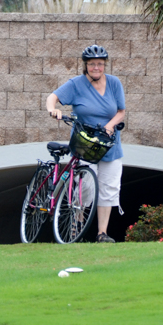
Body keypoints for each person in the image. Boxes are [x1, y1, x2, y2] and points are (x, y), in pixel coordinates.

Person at [46, 44, 126, 243]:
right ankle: (77, 227)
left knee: (109, 188)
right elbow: (52, 97)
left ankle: (102, 233)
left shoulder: (114, 83)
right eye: (92, 64)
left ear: (104, 65)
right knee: (86, 187)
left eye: (100, 64)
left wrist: (110, 125)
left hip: (109, 144)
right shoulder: (76, 84)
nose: (96, 67)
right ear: (86, 65)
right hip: (84, 143)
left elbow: (121, 112)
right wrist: (53, 109)